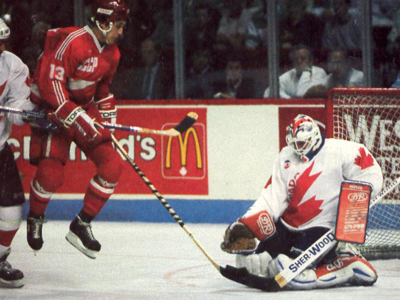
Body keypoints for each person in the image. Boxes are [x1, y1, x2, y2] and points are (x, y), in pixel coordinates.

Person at [221, 114, 383, 290]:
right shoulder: (286, 156)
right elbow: (272, 196)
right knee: (254, 263)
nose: (296, 149)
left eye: (301, 144)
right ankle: (336, 259)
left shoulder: (341, 151)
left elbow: (371, 174)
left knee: (295, 275)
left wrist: (354, 203)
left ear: (313, 138)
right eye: (294, 143)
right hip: (288, 226)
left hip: (321, 228)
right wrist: (247, 224)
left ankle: (347, 265)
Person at [26, 0, 129, 259]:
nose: (121, 32)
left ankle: (81, 223)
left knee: (112, 167)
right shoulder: (72, 41)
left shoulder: (112, 52)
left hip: (82, 107)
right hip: (53, 110)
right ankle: (36, 216)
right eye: (118, 26)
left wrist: (107, 113)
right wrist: (75, 116)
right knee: (50, 177)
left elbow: (102, 89)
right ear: (103, 22)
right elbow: (51, 83)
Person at [0, 17, 33, 288]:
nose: (1, 48)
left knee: (11, 211)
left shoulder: (11, 64)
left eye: (3, 42)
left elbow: (17, 102)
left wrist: (29, 112)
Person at [263, 44, 328, 98]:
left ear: (311, 61)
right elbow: (268, 92)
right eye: (296, 59)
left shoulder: (319, 73)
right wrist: (289, 99)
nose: (299, 61)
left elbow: (301, 93)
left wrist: (307, 70)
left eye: (303, 58)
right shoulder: (289, 75)